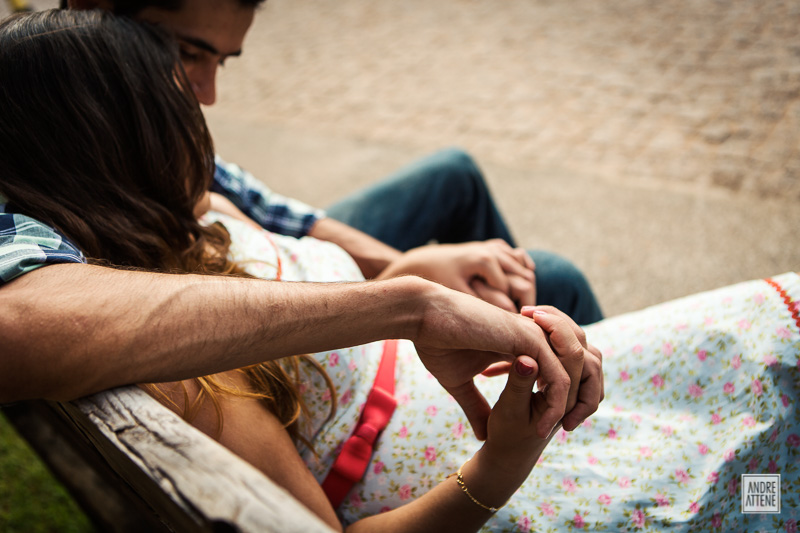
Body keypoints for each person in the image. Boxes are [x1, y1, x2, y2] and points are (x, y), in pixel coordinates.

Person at [3, 10, 798, 532]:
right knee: (760, 440)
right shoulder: (189, 363)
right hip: (509, 466)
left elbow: (297, 251)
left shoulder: (202, 218)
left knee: (759, 376)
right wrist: (502, 459)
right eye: (181, 88)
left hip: (497, 412)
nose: (206, 109)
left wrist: (413, 274)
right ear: (124, 145)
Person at [57, 0, 604, 325]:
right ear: (92, 9)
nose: (208, 94)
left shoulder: (119, 121)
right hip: (290, 307)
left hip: (278, 264)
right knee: (551, 279)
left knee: (455, 178)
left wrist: (432, 280)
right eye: (188, 52)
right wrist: (410, 290)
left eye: (220, 61)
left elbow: (266, 210)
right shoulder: (60, 173)